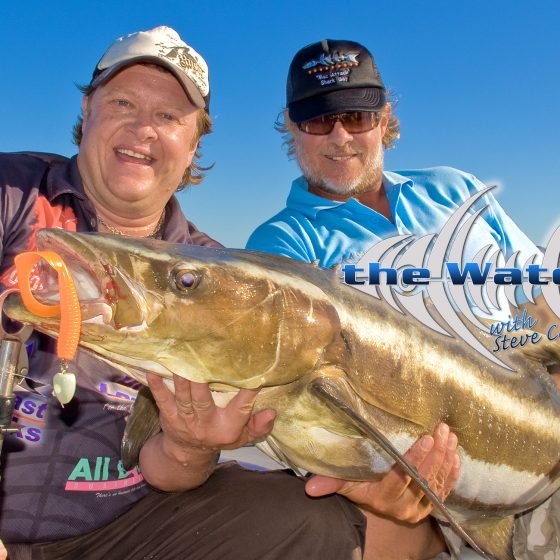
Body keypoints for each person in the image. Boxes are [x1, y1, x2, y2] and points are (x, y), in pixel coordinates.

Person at [0, 27, 459, 560]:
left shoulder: (222, 276)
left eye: (170, 117)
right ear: (88, 110)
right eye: (123, 102)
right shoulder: (13, 192)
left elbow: (168, 470)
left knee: (314, 523)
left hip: (129, 521)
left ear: (195, 142)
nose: (143, 128)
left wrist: (190, 446)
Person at [246, 38, 560, 559]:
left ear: (384, 117)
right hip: (452, 472)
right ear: (293, 128)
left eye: (356, 116)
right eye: (319, 120)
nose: (340, 137)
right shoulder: (281, 246)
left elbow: (540, 295)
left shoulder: (456, 189)